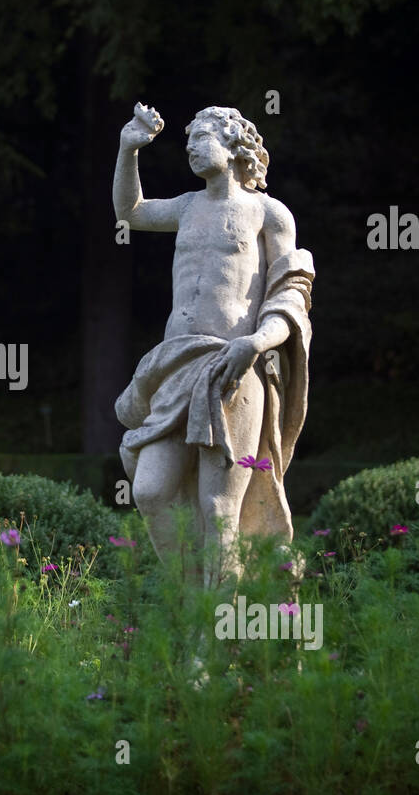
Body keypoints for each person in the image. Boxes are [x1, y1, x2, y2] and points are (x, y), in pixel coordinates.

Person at [113, 105, 313, 585]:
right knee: (151, 489)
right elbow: (130, 212)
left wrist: (256, 342)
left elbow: (291, 294)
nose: (192, 149)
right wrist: (128, 149)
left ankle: (213, 642)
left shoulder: (268, 213)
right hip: (175, 367)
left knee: (221, 509)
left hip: (233, 368)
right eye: (188, 144)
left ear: (234, 144)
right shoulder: (186, 207)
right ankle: (194, 605)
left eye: (201, 138)